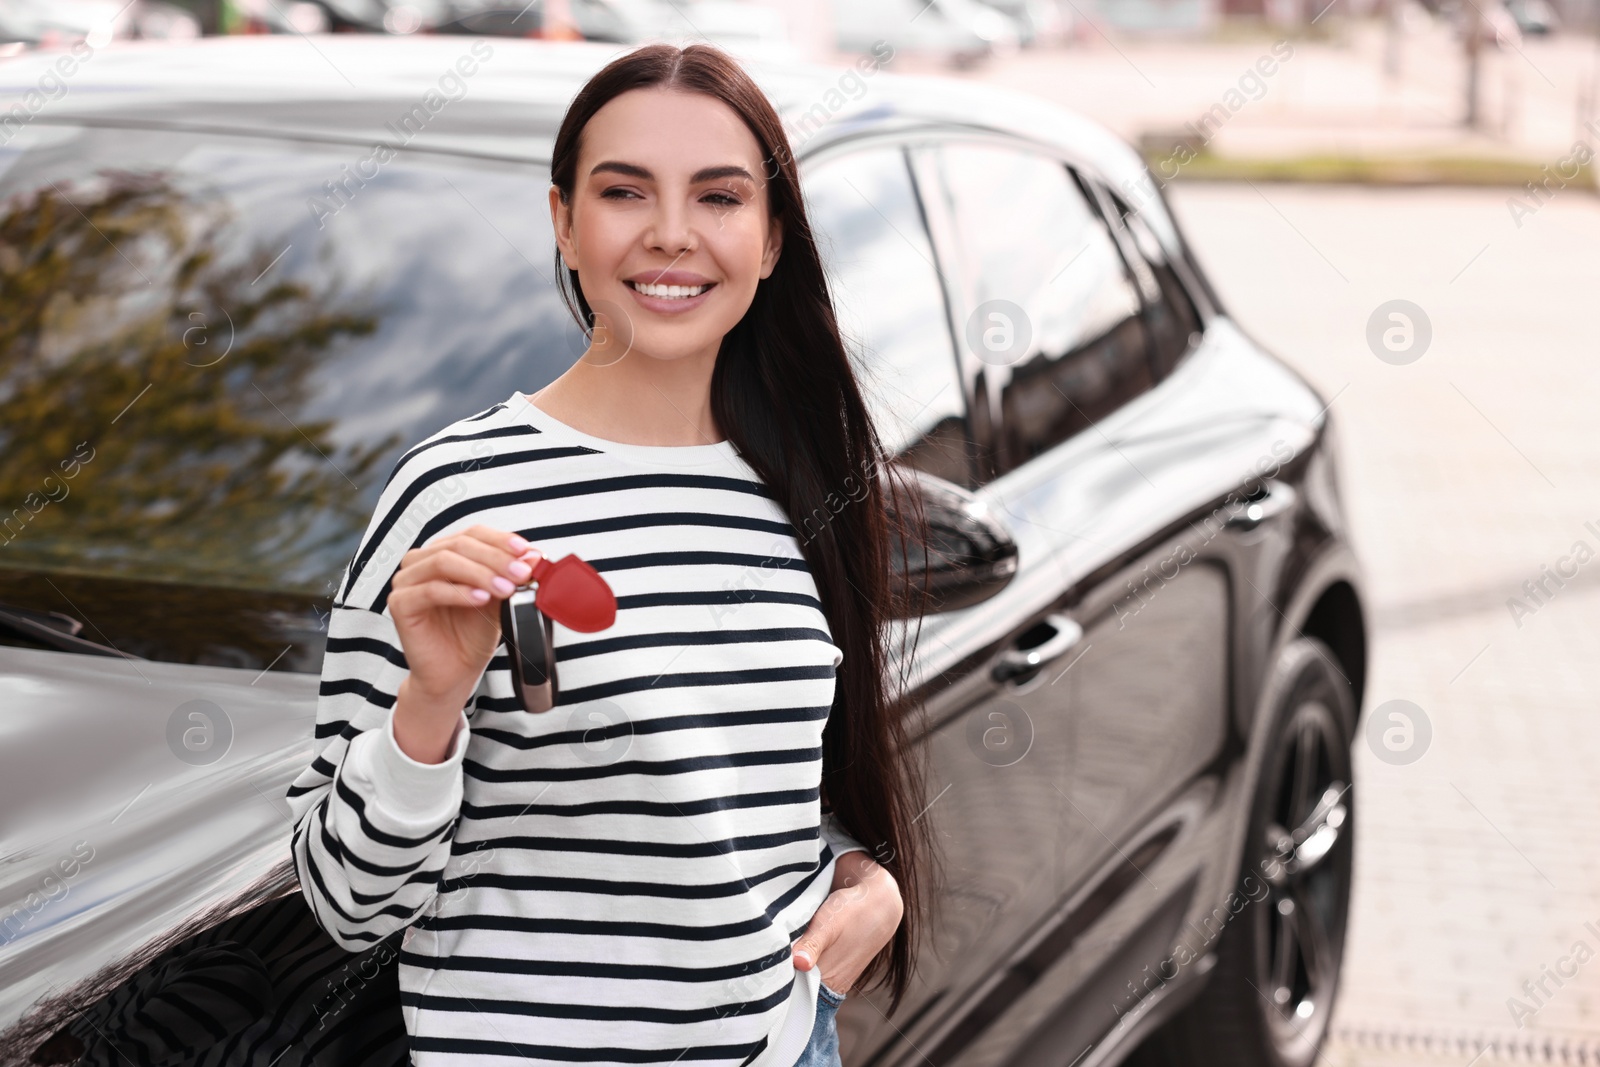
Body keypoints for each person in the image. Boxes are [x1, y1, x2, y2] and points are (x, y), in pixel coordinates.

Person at [284, 41, 929, 1067]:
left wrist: (865, 877)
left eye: (719, 197)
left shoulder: (804, 478)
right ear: (564, 224)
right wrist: (431, 704)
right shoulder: (454, 493)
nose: (672, 235)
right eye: (625, 192)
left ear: (770, 241)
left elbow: (759, 794)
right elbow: (345, 904)